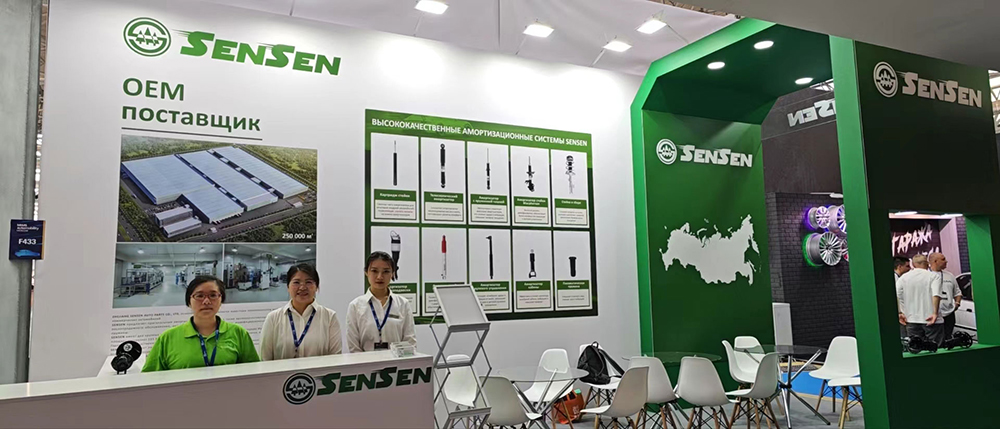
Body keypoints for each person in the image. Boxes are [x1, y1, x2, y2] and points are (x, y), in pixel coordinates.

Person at [143, 275, 260, 371]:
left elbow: (253, 374)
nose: (206, 301)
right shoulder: (167, 338)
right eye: (199, 296)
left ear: (221, 300)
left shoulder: (239, 333)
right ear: (189, 301)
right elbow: (148, 379)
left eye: (213, 295)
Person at [260, 264, 342, 360]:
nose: (302, 287)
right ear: (288, 287)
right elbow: (265, 359)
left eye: (309, 282)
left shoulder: (329, 317)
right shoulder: (273, 318)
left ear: (316, 286)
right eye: (296, 282)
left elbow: (335, 359)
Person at [346, 251, 416, 352]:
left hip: (397, 361)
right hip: (366, 362)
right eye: (374, 271)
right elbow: (353, 347)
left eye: (386, 271)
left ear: (392, 273)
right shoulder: (355, 306)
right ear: (366, 272)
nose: (380, 277)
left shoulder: (403, 304)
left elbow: (410, 342)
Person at [896, 254, 945, 345]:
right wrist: (935, 313)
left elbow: (897, 295)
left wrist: (900, 312)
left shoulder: (903, 278)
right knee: (936, 348)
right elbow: (936, 295)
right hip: (931, 319)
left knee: (916, 348)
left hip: (911, 319)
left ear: (913, 264)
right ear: (927, 263)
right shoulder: (934, 276)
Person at [929, 253, 962, 338]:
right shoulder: (926, 275)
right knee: (935, 339)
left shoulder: (950, 275)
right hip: (932, 314)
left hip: (949, 313)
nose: (946, 261)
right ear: (935, 261)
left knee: (947, 337)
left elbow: (957, 292)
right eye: (943, 259)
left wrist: (957, 303)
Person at [893, 256, 911, 337]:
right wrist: (899, 312)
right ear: (899, 267)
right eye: (907, 266)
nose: (909, 268)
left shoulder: (902, 279)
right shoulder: (894, 279)